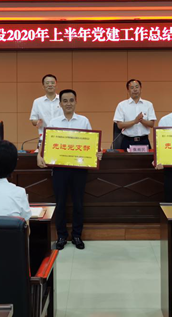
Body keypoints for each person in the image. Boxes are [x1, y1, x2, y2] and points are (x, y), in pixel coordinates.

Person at [37, 89, 100, 250]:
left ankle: (77, 235)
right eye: (65, 101)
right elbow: (45, 142)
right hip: (60, 168)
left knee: (78, 203)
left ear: (76, 101)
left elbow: (91, 143)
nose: (68, 104)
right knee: (61, 203)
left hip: (79, 169)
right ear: (60, 104)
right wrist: (39, 154)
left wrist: (96, 153)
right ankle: (61, 236)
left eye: (71, 100)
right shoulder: (54, 122)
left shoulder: (84, 121)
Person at [113, 79, 157, 151]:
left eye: (137, 87)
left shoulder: (148, 104)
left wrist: (141, 120)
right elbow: (119, 125)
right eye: (132, 88)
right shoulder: (122, 105)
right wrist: (134, 121)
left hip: (144, 141)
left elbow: (151, 124)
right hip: (127, 141)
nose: (135, 89)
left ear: (141, 88)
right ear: (128, 90)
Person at [29, 74, 63, 140]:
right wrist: (37, 122)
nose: (50, 85)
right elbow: (33, 119)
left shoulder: (63, 100)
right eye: (47, 83)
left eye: (52, 83)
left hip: (62, 136)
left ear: (56, 85)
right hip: (44, 137)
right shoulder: (37, 102)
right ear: (43, 86)